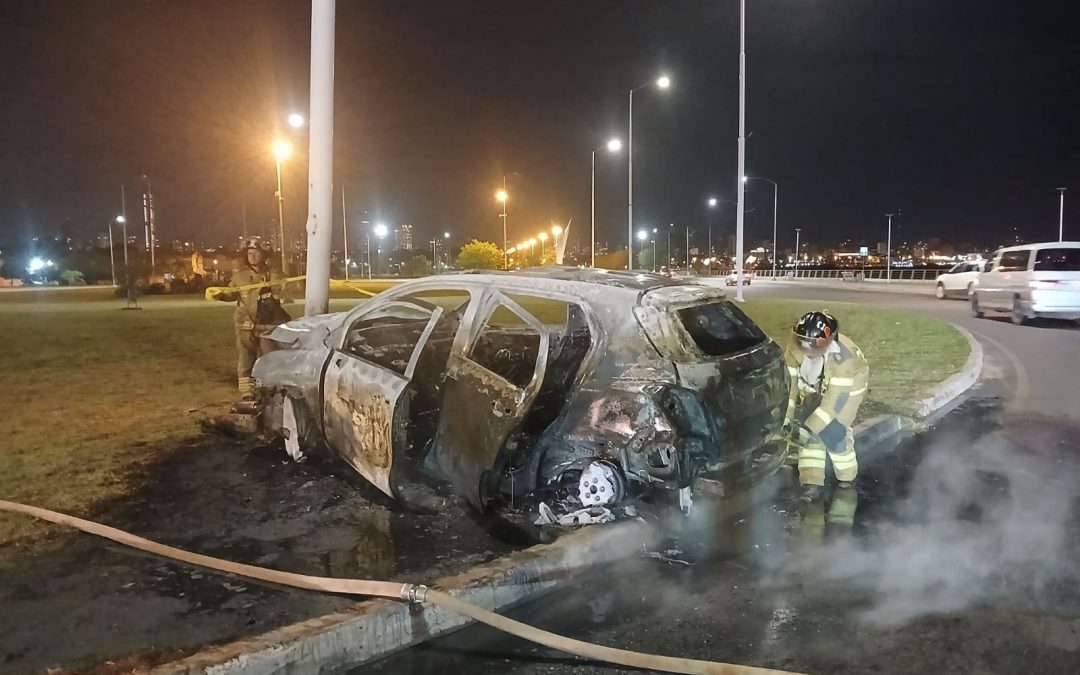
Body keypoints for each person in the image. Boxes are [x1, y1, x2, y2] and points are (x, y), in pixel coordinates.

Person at [782, 310, 869, 502]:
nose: (808, 351)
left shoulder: (844, 359)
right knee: (809, 435)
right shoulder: (796, 344)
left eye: (814, 347)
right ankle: (812, 483)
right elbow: (790, 386)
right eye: (804, 345)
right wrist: (786, 420)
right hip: (816, 386)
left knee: (835, 433)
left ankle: (847, 480)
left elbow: (834, 402)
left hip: (848, 389)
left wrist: (808, 429)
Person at [215, 237, 289, 402]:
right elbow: (230, 293)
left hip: (268, 325)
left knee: (269, 359)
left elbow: (285, 291)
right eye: (249, 253)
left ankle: (269, 390)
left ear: (264, 255)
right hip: (245, 325)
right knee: (246, 360)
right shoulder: (240, 277)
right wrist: (218, 294)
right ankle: (247, 393)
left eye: (256, 253)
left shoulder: (274, 274)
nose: (253, 256)